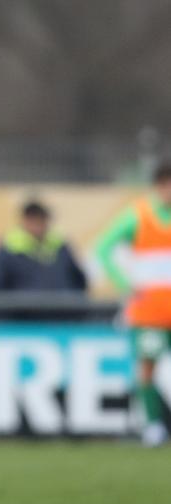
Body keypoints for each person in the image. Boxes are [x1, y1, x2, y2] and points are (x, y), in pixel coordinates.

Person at [96, 163, 171, 446]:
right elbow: (103, 248)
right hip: (150, 312)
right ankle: (153, 427)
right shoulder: (139, 215)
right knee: (147, 368)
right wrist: (124, 284)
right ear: (158, 186)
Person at [0, 198, 87, 319]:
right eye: (33, 220)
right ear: (24, 221)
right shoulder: (9, 248)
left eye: (41, 220)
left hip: (60, 319)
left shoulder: (60, 246)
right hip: (22, 322)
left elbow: (78, 280)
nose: (37, 225)